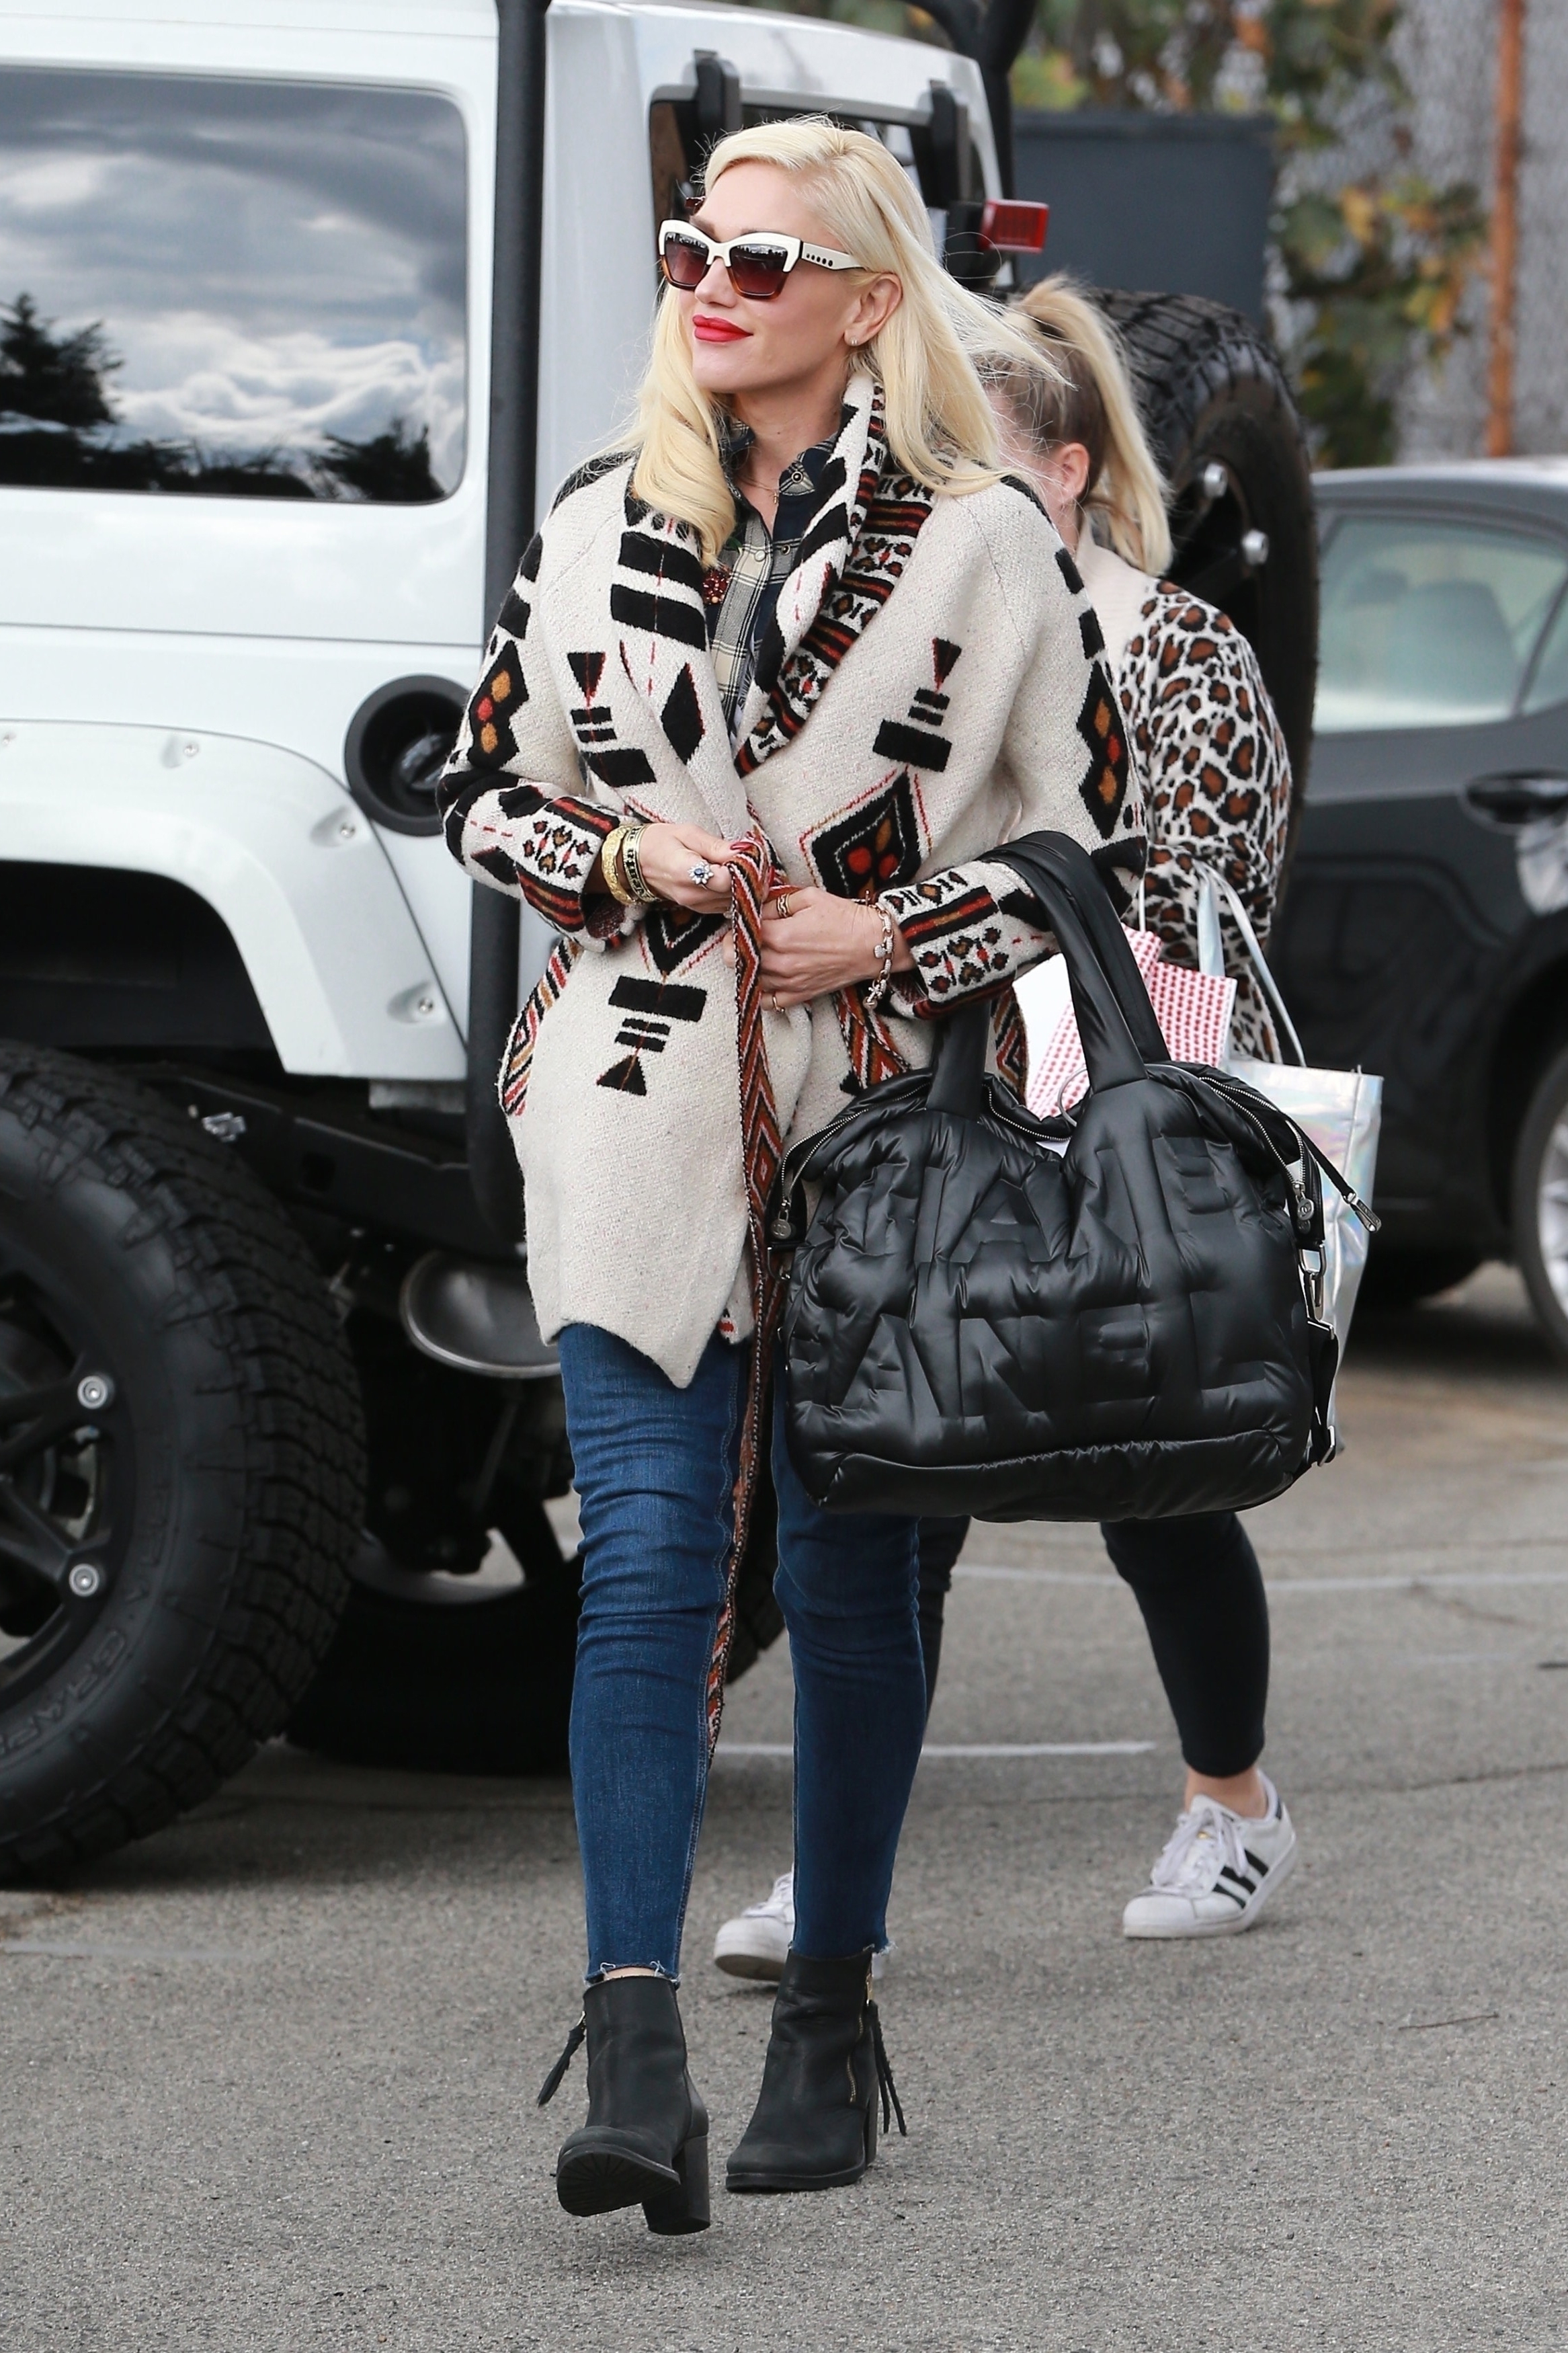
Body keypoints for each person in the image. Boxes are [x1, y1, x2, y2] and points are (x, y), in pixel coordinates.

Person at [438, 134, 1145, 2231]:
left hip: (881, 1124)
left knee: (844, 1579)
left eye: (761, 256)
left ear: (865, 302)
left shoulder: (982, 545)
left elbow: (1087, 840)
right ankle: (632, 2043)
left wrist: (893, 930)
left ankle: (828, 2009)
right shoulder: (594, 520)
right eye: (690, 248)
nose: (710, 282)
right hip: (631, 1098)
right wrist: (614, 853)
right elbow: (481, 785)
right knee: (648, 1564)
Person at [714, 274, 1296, 1983]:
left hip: (1108, 1109)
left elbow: (1193, 916)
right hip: (928, 1093)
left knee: (1154, 1477)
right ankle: (839, 1873)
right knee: (905, 1474)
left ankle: (1235, 1803)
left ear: (1062, 472)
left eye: (961, 462)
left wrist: (947, 942)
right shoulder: (916, 638)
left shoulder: (1179, 648)